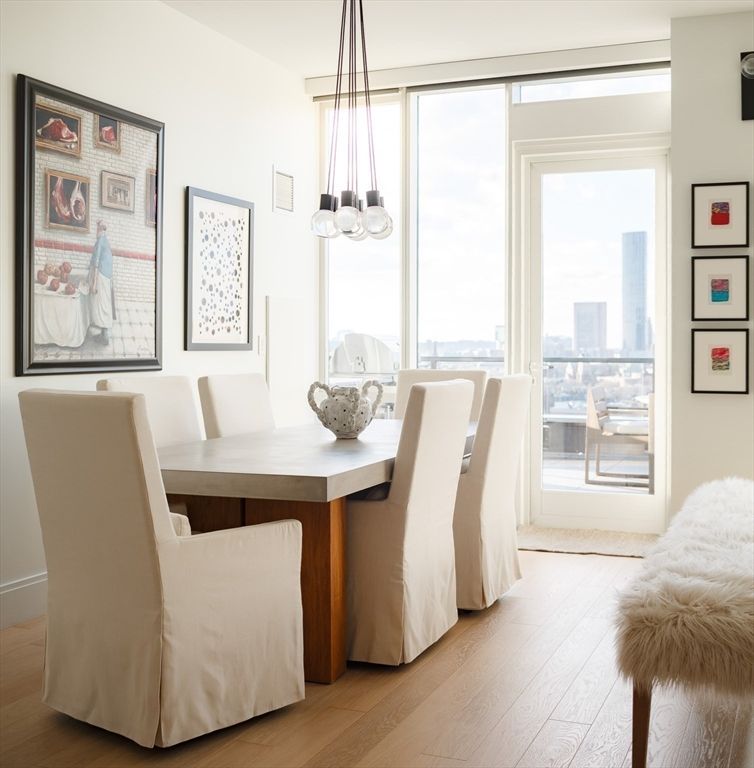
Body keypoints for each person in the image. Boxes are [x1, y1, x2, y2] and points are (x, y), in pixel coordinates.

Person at [88, 220, 114, 345]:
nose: (96, 231)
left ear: (101, 229)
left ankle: (104, 337)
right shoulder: (106, 241)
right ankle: (104, 334)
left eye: (97, 228)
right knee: (104, 304)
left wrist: (93, 283)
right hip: (106, 277)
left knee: (102, 304)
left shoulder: (100, 241)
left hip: (101, 277)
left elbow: (97, 262)